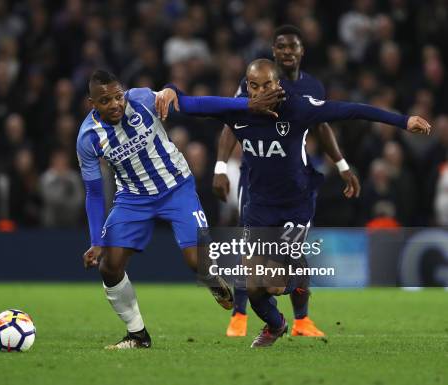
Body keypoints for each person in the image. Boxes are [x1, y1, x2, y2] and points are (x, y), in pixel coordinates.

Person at [158, 58, 430, 347]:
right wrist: (171, 89)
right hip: (260, 207)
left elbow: (351, 110)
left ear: (278, 85)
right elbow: (188, 103)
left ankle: (298, 274)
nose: (262, 91)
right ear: (247, 87)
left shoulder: (298, 107)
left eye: (268, 85)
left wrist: (403, 121)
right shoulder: (236, 110)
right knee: (252, 287)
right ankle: (276, 325)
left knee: (273, 284)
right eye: (255, 86)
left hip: (294, 205)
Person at [77, 69, 284, 349]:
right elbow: (93, 192)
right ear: (92, 104)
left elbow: (195, 105)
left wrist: (247, 104)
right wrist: (96, 241)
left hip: (176, 187)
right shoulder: (88, 138)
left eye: (118, 97)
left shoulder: (142, 100)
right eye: (105, 101)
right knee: (109, 266)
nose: (114, 104)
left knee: (197, 262)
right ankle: (138, 336)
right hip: (133, 198)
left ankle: (212, 279)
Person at [213, 25, 361, 338]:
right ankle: (240, 315)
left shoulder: (313, 86)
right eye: (281, 47)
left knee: (289, 254)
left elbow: (322, 127)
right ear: (274, 51)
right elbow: (232, 123)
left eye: (292, 47)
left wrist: (342, 164)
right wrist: (221, 166)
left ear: (301, 51)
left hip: (293, 181)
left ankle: (301, 319)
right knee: (249, 249)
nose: (287, 52)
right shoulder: (251, 82)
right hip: (256, 179)